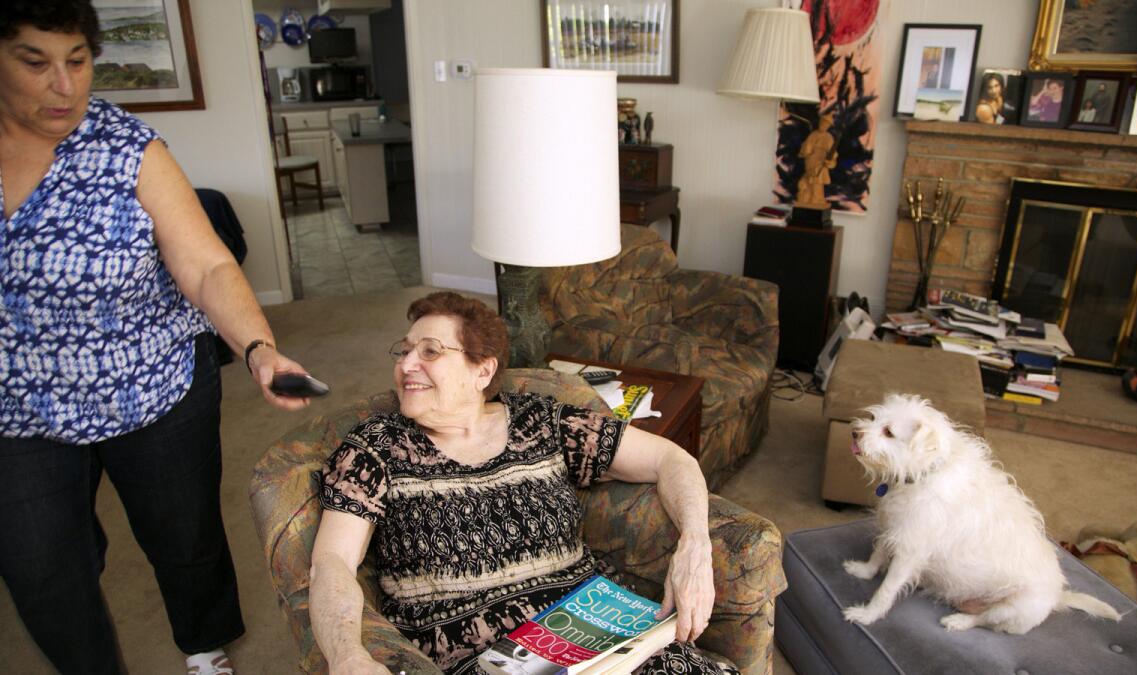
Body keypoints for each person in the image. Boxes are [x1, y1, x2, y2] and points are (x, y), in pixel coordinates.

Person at [0, 2, 317, 674]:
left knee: (185, 536)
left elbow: (206, 264)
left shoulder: (128, 150)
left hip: (152, 384)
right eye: (35, 62)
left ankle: (203, 644)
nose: (65, 85)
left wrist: (258, 347)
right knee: (39, 564)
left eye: (78, 61)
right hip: (17, 405)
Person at [310, 292, 730, 675]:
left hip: (600, 635)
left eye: (430, 352)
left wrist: (695, 544)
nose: (405, 365)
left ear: (483, 370)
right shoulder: (375, 447)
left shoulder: (541, 423)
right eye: (403, 352)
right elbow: (332, 561)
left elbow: (671, 457)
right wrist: (347, 654)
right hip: (485, 661)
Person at [795, 113, 837, 210]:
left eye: (826, 124)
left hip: (820, 164)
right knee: (806, 183)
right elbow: (805, 150)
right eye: (822, 122)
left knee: (817, 185)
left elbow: (832, 156)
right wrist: (807, 149)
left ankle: (817, 200)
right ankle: (806, 199)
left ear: (829, 126)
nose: (823, 125)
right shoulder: (813, 134)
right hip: (810, 163)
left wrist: (829, 162)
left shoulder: (828, 138)